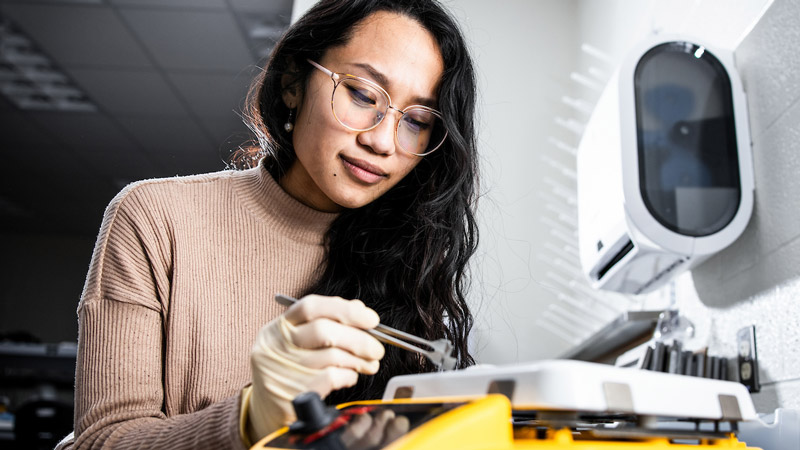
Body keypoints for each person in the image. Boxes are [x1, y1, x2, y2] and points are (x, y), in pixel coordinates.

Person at [57, 0, 479, 448]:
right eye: (362, 94)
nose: (381, 141)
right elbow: (99, 441)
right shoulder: (155, 219)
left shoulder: (411, 256)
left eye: (415, 121)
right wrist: (251, 416)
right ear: (294, 81)